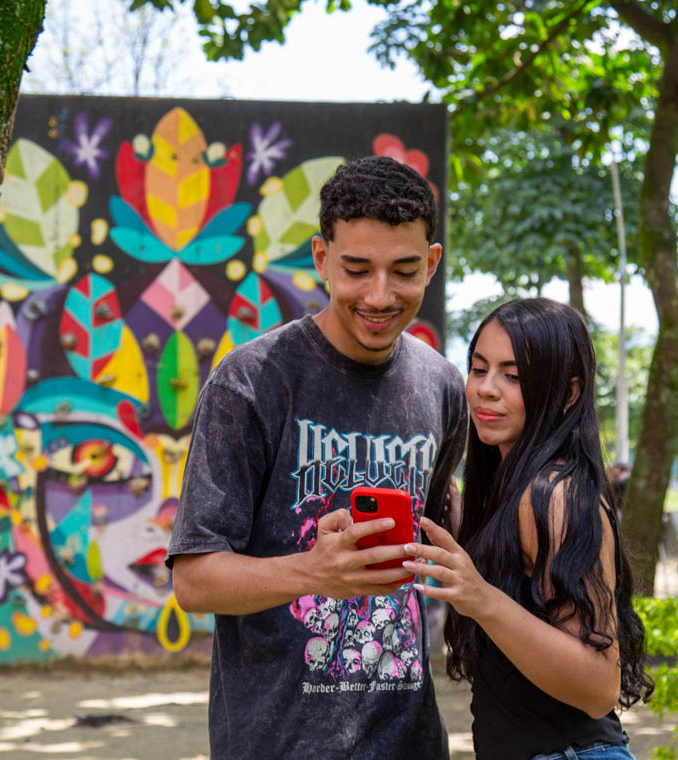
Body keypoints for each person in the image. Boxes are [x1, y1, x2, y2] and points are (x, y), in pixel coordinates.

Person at [167, 155, 468, 759]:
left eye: (404, 270)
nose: (380, 296)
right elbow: (194, 580)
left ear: (431, 263)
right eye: (357, 269)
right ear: (321, 258)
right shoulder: (249, 382)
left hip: (411, 741)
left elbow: (440, 540)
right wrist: (315, 572)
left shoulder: (442, 386)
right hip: (277, 744)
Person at [402, 298, 654, 760]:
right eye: (478, 369)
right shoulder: (510, 488)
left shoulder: (554, 494)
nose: (486, 389)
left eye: (512, 376)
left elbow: (600, 685)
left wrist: (482, 598)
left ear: (569, 393)